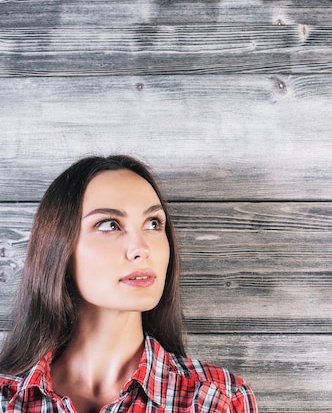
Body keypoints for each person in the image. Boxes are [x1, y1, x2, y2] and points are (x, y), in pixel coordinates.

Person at [0, 155, 257, 413]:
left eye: (153, 223)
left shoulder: (219, 399)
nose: (142, 249)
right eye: (110, 225)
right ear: (58, 248)